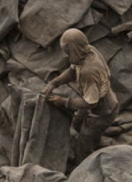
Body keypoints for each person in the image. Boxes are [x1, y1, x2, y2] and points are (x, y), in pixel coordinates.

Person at [43, 28, 119, 164]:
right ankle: (96, 141)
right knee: (77, 124)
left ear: (73, 50)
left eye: (67, 52)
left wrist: (64, 102)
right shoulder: (86, 50)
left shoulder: (88, 72)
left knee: (82, 148)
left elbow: (91, 103)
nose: (66, 55)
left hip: (102, 112)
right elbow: (72, 71)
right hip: (91, 101)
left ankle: (85, 164)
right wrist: (54, 83)